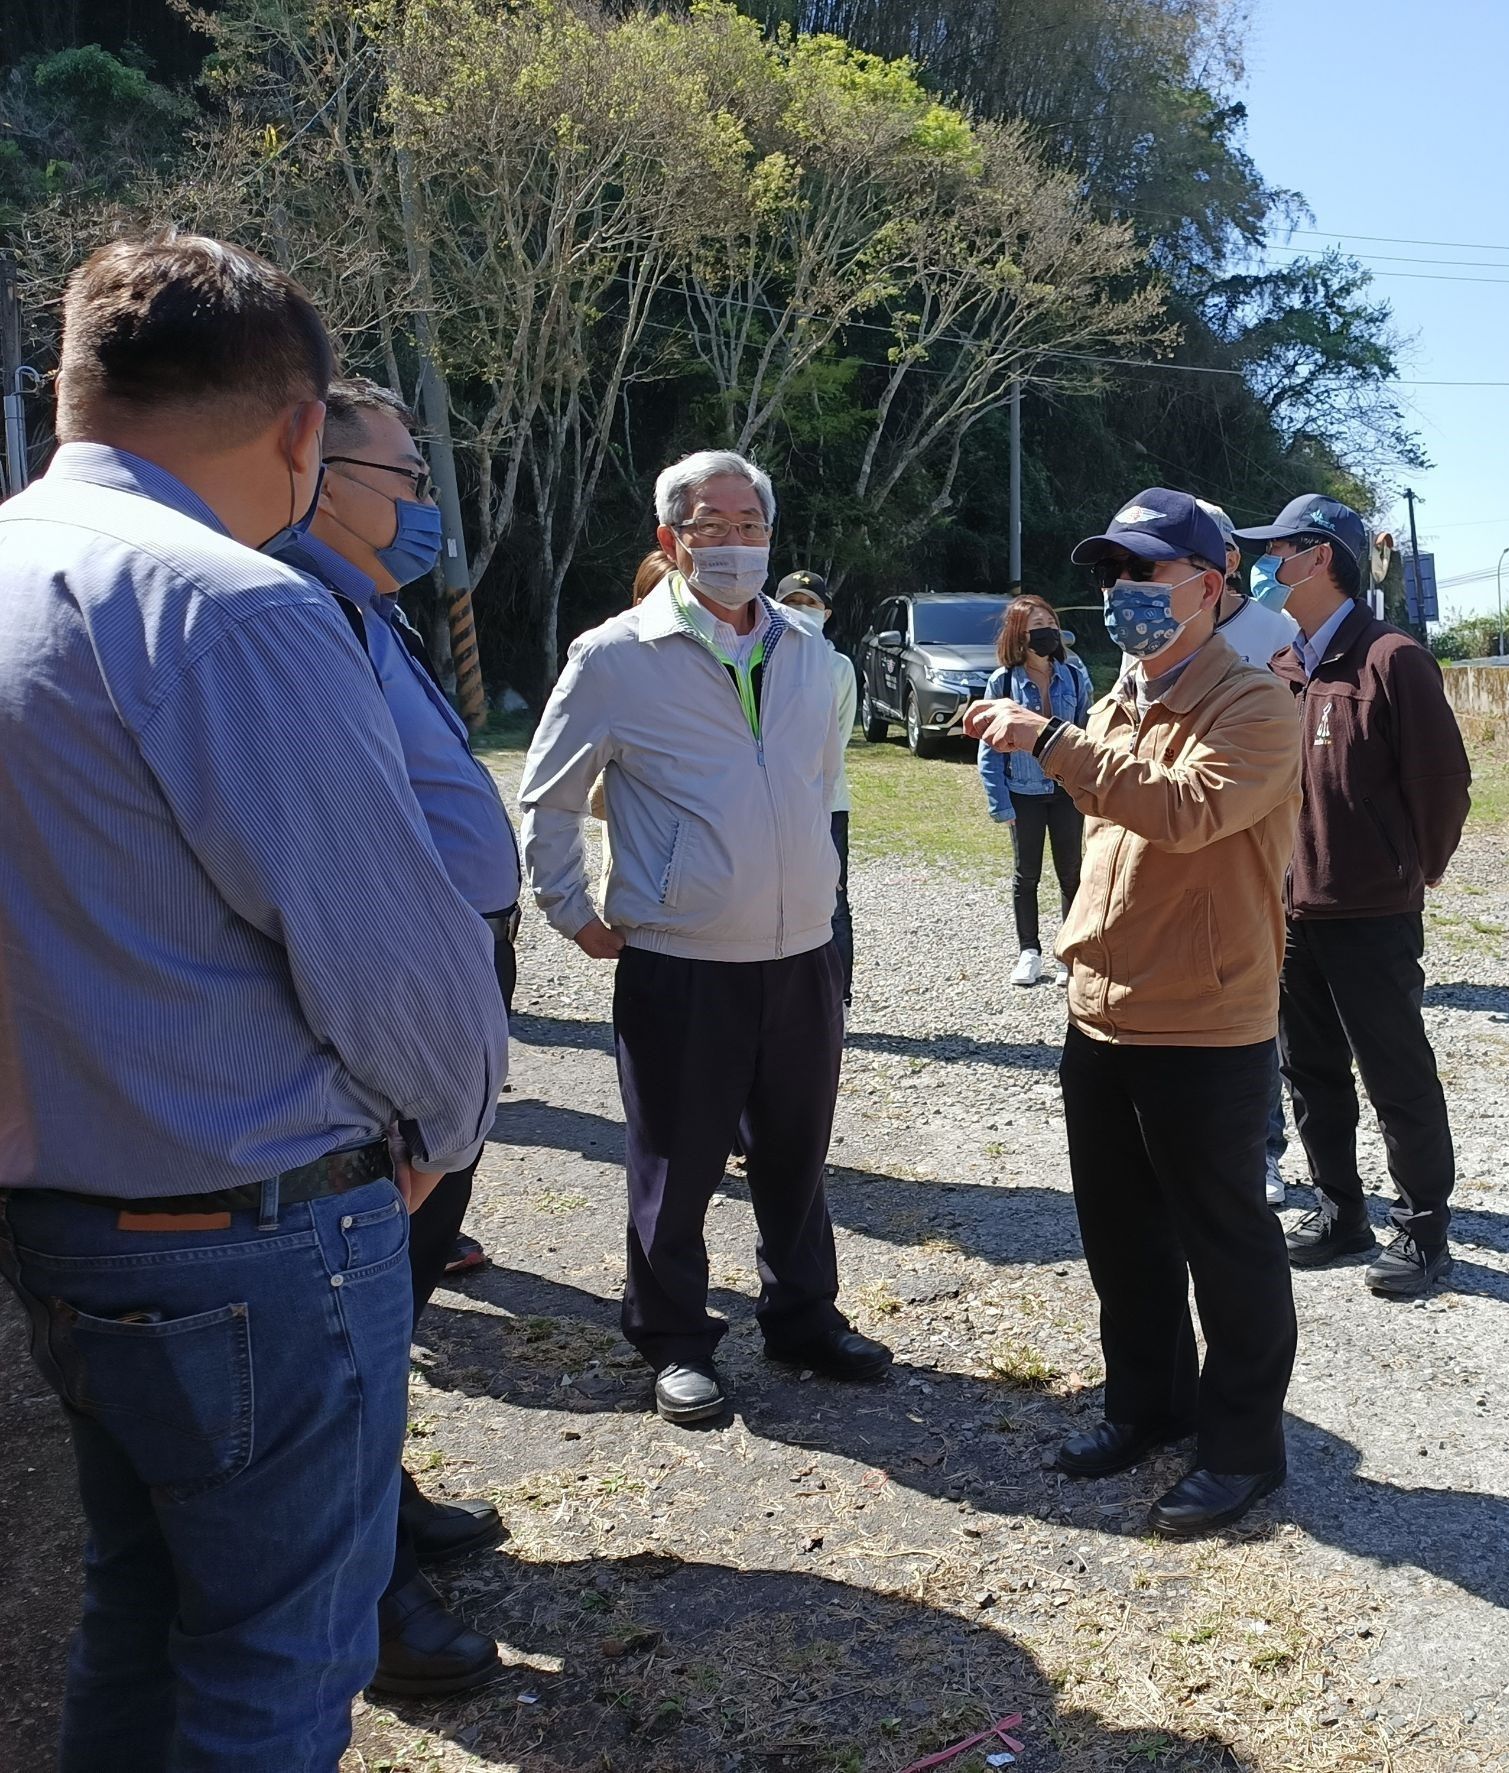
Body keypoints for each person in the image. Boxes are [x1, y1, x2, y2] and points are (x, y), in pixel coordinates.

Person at [0, 235, 509, 1770]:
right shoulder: (226, 606)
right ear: (300, 433)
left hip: (68, 1213)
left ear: (73, 389)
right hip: (251, 1227)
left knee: (139, 1614)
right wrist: (440, 1121)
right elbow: (387, 954)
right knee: (277, 1669)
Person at [519, 449, 889, 1426]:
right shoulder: (616, 658)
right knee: (676, 1162)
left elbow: (814, 789)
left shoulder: (812, 655)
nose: (732, 542)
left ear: (771, 535)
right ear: (669, 540)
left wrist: (817, 895)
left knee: (799, 1155)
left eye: (748, 523)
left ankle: (804, 1316)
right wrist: (571, 908)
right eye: (709, 524)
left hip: (802, 952)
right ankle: (675, 1339)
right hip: (681, 962)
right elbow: (549, 798)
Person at [963, 488, 1301, 1537]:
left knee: (1226, 1246)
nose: (1123, 595)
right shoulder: (1121, 696)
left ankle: (1242, 1448)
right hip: (1101, 1014)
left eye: (1146, 574)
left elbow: (1184, 810)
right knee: (1122, 1237)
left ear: (1211, 585)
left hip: (1204, 1024)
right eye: (1113, 574)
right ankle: (1145, 1409)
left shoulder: (1255, 704)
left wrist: (1053, 743)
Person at [268, 376, 520, 1696]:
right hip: (394, 995)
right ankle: (366, 1591)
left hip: (449, 969)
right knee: (354, 1301)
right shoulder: (284, 611)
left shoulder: (362, 605)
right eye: (407, 477)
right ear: (320, 470)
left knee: (400, 1282)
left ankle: (386, 1495)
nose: (424, 503)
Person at [1235, 495, 1472, 1296]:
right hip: (1293, 907)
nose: (1268, 566)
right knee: (1310, 1070)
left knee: (1395, 1071)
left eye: (1281, 552)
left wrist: (1411, 869)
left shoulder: (1391, 659)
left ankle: (1423, 1226)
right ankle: (1341, 1209)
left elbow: (1443, 785)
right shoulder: (1289, 666)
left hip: (1372, 910)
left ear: (1321, 558)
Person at [1198, 499, 1300, 1206]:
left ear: (1227, 563)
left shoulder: (1277, 630)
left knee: (1252, 997)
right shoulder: (1150, 638)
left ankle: (1263, 1151)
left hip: (1254, 842)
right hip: (1177, 839)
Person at [978, 594, 1093, 987]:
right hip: (1022, 792)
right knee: (1026, 874)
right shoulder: (1003, 682)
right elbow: (989, 747)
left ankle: (1069, 951)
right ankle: (1029, 951)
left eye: (1049, 625)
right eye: (1035, 628)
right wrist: (1000, 802)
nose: (1045, 634)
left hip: (1066, 792)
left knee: (1071, 873)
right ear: (1018, 637)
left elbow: (1086, 736)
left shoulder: (1075, 674)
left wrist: (1089, 789)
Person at [781, 570, 859, 1006]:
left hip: (827, 801)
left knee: (833, 901)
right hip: (771, 800)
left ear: (826, 613)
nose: (801, 611)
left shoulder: (838, 666)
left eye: (810, 604)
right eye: (792, 602)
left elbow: (840, 734)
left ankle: (838, 996)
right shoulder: (761, 658)